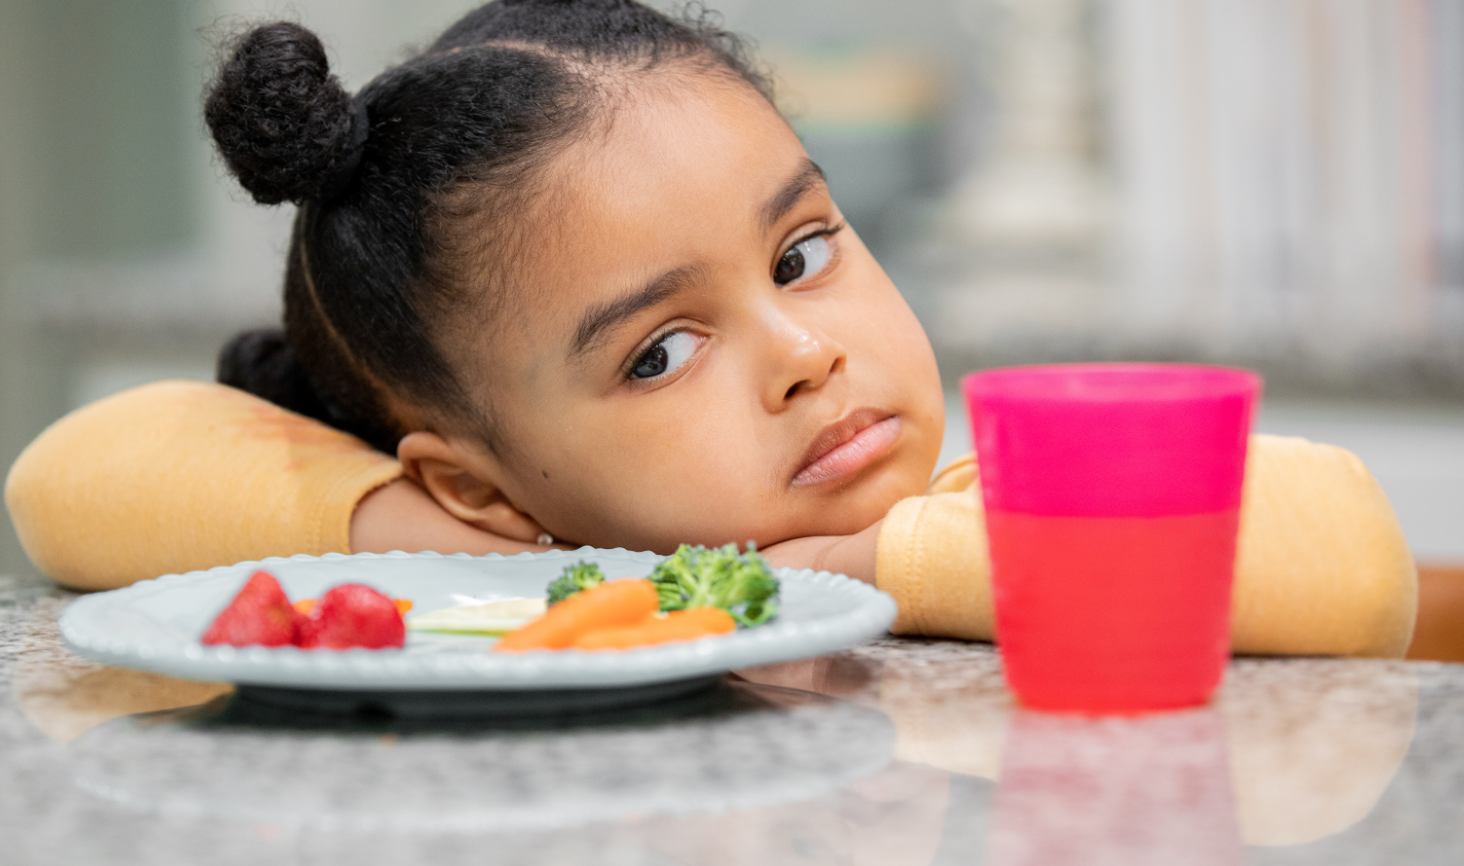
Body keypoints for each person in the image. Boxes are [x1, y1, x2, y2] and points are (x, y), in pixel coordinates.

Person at [3, 0, 1416, 657]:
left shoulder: (969, 515)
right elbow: (69, 474)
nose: (805, 350)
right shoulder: (555, 569)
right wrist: (509, 551)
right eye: (660, 352)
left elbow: (1350, 559)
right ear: (477, 478)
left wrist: (856, 564)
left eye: (803, 252)